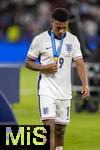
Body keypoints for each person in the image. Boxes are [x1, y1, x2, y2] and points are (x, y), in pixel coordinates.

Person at [25, 8, 90, 150]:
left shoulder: (73, 40)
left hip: (65, 92)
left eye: (64, 27)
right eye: (58, 27)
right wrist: (44, 68)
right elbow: (28, 62)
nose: (61, 31)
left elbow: (79, 63)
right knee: (50, 127)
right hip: (46, 89)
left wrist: (85, 84)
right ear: (52, 22)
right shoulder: (40, 40)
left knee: (60, 130)